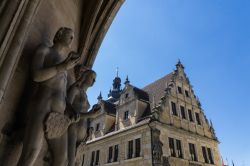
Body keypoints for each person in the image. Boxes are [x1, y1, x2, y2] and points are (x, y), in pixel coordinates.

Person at [17, 27, 80, 166]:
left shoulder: (65, 63)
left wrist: (70, 108)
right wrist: (62, 67)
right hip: (42, 105)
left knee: (61, 160)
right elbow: (36, 75)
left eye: (73, 37)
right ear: (59, 34)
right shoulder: (45, 50)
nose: (72, 39)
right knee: (30, 154)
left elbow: (62, 92)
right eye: (70, 35)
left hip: (59, 114)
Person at [66, 67, 96, 166]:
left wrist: (89, 126)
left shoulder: (86, 96)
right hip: (73, 127)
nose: (94, 81)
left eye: (95, 79)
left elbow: (87, 115)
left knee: (77, 163)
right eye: (92, 77)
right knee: (70, 162)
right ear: (85, 76)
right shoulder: (75, 89)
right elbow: (66, 105)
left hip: (82, 136)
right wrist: (89, 114)